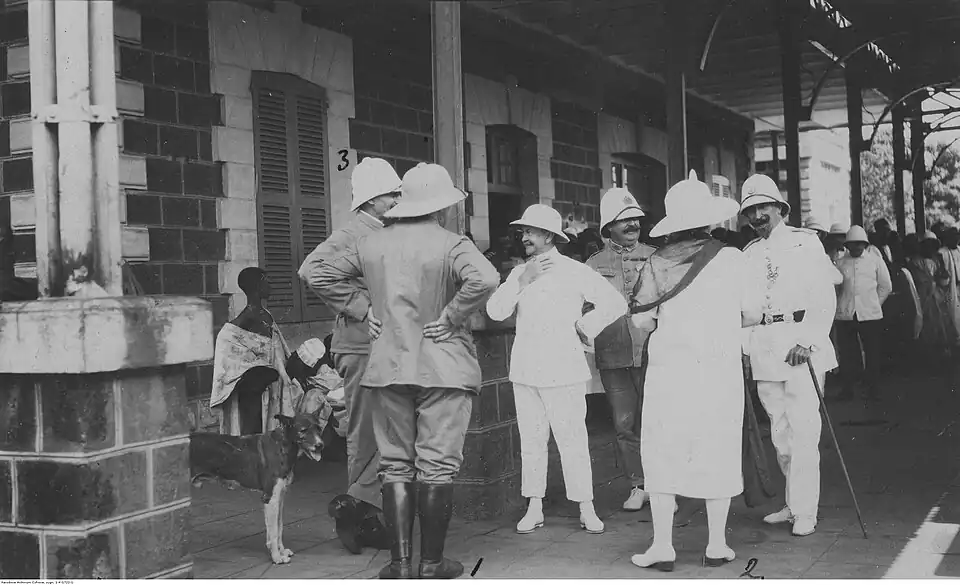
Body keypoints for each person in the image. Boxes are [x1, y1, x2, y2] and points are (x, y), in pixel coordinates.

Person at [306, 163, 500, 579]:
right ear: (442, 206)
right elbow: (485, 278)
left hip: (387, 367)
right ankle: (431, 565)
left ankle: (398, 566)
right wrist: (453, 314)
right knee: (436, 465)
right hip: (444, 368)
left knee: (394, 465)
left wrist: (361, 308)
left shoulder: (372, 243)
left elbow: (315, 272)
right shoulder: (452, 243)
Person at [628, 171, 763, 571]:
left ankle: (664, 546)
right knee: (716, 448)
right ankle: (717, 545)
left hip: (670, 371)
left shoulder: (655, 264)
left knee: (662, 450)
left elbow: (641, 323)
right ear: (709, 221)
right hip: (718, 369)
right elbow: (752, 313)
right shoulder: (733, 258)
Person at [486, 204, 627, 536]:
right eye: (523, 232)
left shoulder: (575, 270)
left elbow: (615, 303)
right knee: (532, 440)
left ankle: (586, 507)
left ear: (548, 236)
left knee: (572, 439)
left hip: (564, 368)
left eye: (530, 232)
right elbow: (495, 310)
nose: (524, 238)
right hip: (525, 368)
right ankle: (534, 506)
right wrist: (522, 280)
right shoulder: (518, 273)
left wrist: (584, 326)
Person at [299, 157, 402, 554]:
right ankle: (356, 514)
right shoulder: (353, 232)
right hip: (359, 345)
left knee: (387, 431)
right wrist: (361, 306)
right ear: (373, 199)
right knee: (364, 433)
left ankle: (364, 510)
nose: (397, 199)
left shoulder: (380, 230)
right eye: (392, 194)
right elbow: (312, 271)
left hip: (378, 345)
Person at [739, 174, 838, 538]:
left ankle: (806, 510)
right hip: (765, 348)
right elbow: (746, 308)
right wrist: (746, 350)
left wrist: (808, 340)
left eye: (763, 207)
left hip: (800, 347)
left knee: (804, 431)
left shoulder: (805, 244)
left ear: (780, 209)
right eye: (751, 210)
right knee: (780, 436)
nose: (757, 215)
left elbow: (824, 297)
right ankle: (793, 504)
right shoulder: (748, 253)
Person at [584, 187, 657, 511]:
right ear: (608, 226)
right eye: (623, 220)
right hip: (613, 354)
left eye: (635, 219)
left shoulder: (656, 257)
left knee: (656, 418)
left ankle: (662, 482)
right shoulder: (593, 263)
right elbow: (584, 309)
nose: (632, 225)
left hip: (652, 351)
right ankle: (638, 485)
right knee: (623, 423)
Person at [210, 268, 305, 436]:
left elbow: (277, 348)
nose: (270, 285)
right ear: (256, 286)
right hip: (253, 388)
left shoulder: (266, 315)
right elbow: (227, 339)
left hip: (272, 384)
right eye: (265, 280)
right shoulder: (247, 317)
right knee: (253, 429)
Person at [834, 226, 892, 402]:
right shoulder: (840, 263)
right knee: (847, 353)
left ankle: (873, 388)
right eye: (852, 245)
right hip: (846, 315)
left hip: (870, 315)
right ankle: (848, 388)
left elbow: (886, 286)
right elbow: (836, 289)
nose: (856, 248)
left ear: (865, 244)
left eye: (860, 244)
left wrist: (874, 303)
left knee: (873, 352)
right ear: (847, 245)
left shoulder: (875, 260)